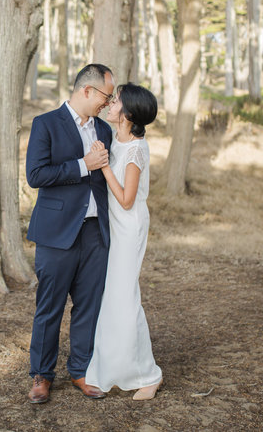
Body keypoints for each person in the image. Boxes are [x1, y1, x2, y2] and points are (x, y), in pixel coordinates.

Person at [25, 63, 115, 404]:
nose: (107, 103)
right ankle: (42, 375)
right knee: (49, 307)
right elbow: (36, 174)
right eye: (106, 96)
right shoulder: (45, 124)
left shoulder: (103, 130)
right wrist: (83, 165)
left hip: (95, 233)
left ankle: (81, 370)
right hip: (57, 233)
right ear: (87, 90)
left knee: (89, 306)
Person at [84, 83, 163, 400]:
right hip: (113, 225)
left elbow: (127, 199)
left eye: (116, 100)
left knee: (124, 296)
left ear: (128, 113)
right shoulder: (116, 138)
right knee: (112, 298)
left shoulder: (136, 149)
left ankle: (148, 374)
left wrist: (102, 167)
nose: (111, 102)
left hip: (128, 226)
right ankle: (111, 368)